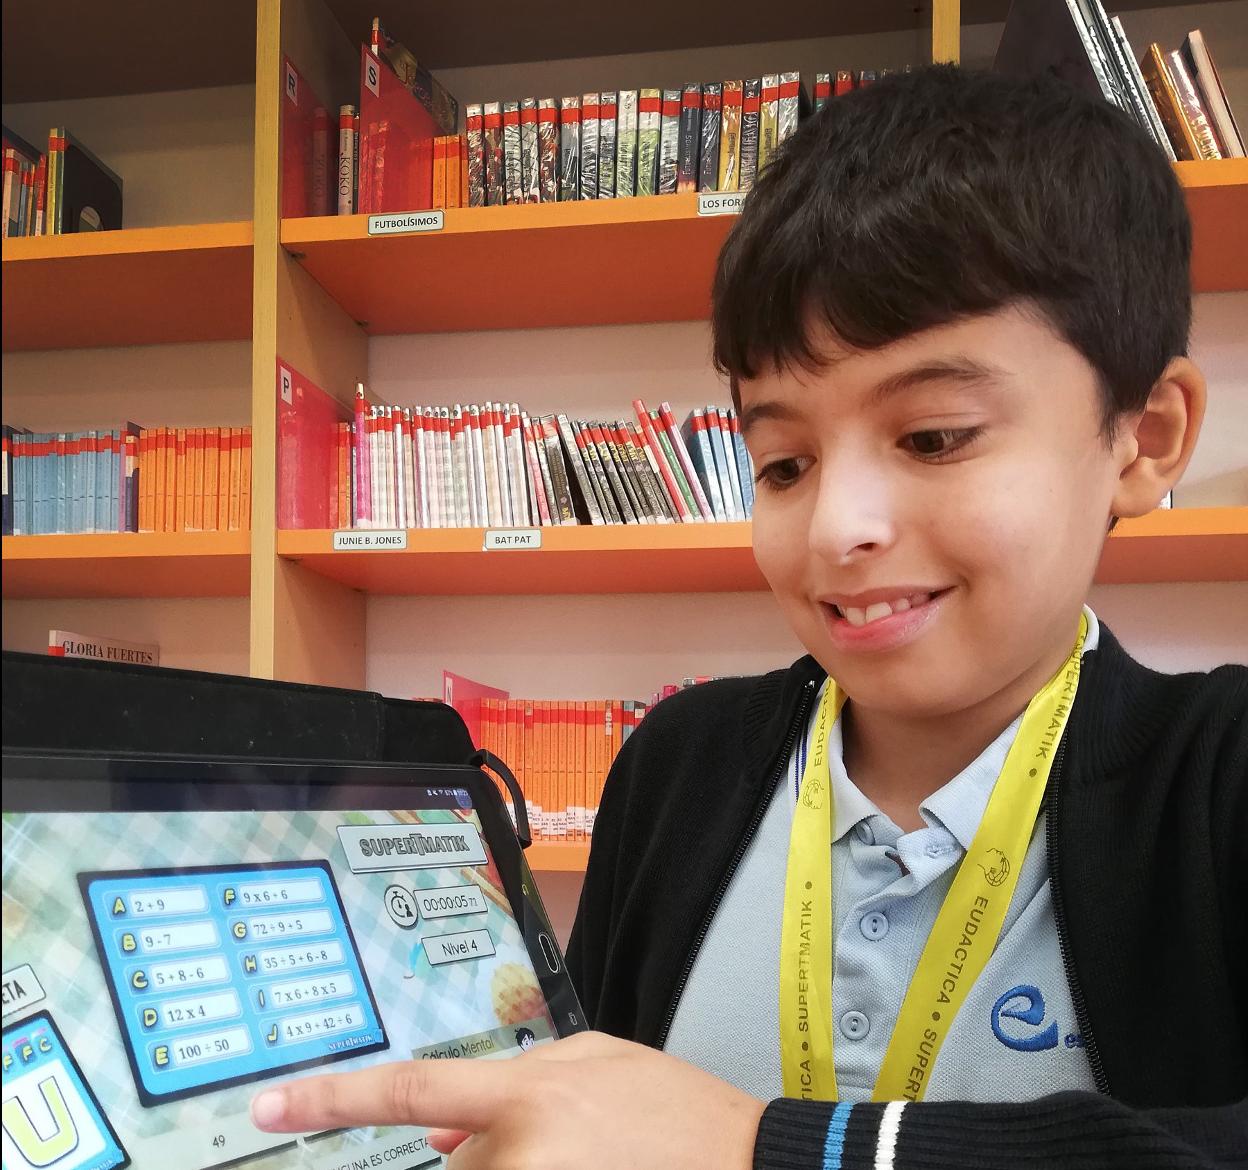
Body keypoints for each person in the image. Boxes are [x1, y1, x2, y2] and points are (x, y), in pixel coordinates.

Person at [250, 65, 1247, 1168]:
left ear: (1144, 438)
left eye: (933, 438)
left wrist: (763, 1147)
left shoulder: (1217, 780)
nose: (837, 528)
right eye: (783, 463)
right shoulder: (682, 763)